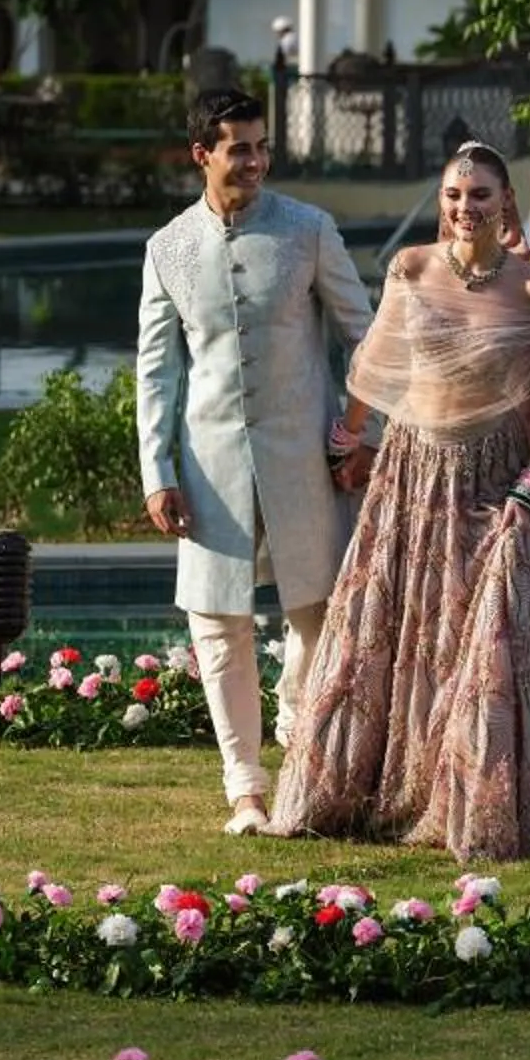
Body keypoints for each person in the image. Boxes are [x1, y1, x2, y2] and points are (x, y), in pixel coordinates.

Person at [270, 141, 530, 860]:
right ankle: (369, 791)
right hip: (411, 477)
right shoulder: (411, 270)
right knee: (394, 637)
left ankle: (487, 802)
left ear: (504, 204)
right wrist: (348, 441)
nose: (464, 208)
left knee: (498, 634)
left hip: (498, 479)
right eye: (453, 195)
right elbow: (373, 370)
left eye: (479, 196)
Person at [135, 88, 376, 835]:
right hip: (208, 469)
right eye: (240, 147)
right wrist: (157, 471)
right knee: (217, 628)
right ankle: (244, 790)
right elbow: (156, 371)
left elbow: (362, 337)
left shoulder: (308, 230)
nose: (256, 161)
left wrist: (360, 432)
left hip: (305, 457)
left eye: (262, 146)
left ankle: (299, 741)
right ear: (201, 155)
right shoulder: (167, 247)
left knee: (317, 616)